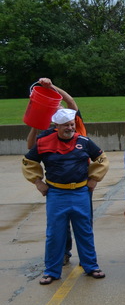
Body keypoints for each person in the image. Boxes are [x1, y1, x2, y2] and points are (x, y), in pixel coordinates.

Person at [22, 108, 110, 285]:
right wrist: (38, 182)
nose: (70, 128)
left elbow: (102, 159)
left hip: (80, 193)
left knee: (84, 231)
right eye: (66, 126)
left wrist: (94, 179)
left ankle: (91, 265)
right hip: (57, 194)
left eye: (72, 124)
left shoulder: (84, 142)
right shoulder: (43, 142)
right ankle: (51, 271)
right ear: (57, 126)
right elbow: (28, 162)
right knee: (55, 234)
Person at [26, 78, 86, 266]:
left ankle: (87, 259)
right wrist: (37, 121)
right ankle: (65, 253)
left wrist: (52, 88)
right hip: (57, 186)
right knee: (61, 224)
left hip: (81, 183)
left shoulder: (75, 123)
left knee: (83, 224)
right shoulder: (48, 134)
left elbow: (71, 102)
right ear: (54, 122)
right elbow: (30, 148)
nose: (60, 108)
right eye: (56, 111)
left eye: (61, 108)